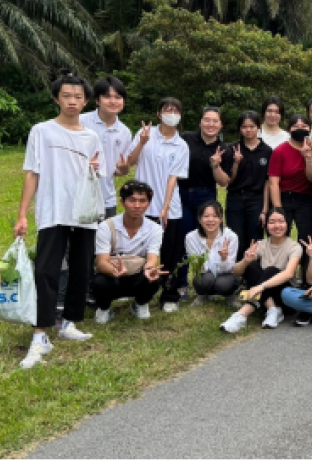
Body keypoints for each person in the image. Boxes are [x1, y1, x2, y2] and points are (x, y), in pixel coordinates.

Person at [15, 73, 105, 369]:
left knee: (81, 269)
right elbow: (32, 173)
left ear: (86, 101)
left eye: (78, 97)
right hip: (52, 210)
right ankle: (40, 334)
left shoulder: (92, 136)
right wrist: (22, 215)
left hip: (83, 213)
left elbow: (98, 173)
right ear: (56, 98)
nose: (72, 101)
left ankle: (69, 323)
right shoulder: (42, 131)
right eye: (67, 95)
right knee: (46, 271)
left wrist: (94, 167)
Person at [126, 97, 190, 314]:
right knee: (141, 251)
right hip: (141, 205)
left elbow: (173, 177)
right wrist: (142, 142)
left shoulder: (181, 145)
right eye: (167, 109)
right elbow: (130, 161)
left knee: (169, 253)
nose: (171, 113)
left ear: (180, 116)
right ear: (159, 114)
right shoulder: (145, 134)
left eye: (175, 110)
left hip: (169, 208)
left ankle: (169, 295)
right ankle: (140, 295)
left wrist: (164, 206)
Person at [92, 181, 167, 324]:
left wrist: (150, 270)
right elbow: (101, 263)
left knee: (154, 279)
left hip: (137, 274)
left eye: (142, 201)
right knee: (100, 282)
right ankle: (104, 308)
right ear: (122, 202)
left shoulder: (155, 229)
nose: (137, 205)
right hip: (112, 274)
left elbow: (152, 258)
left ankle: (140, 304)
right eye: (132, 200)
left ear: (149, 204)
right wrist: (114, 270)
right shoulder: (106, 226)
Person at [220, 208, 303, 333]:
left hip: (284, 296)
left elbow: (289, 273)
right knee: (251, 266)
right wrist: (245, 261)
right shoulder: (261, 244)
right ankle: (273, 309)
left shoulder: (294, 246)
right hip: (263, 295)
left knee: (271, 270)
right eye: (272, 222)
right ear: (266, 225)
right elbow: (236, 272)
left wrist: (261, 287)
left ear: (287, 223)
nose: (277, 226)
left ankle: (242, 314)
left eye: (281, 221)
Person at [179, 107, 230, 300]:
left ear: (220, 125)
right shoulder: (186, 139)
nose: (210, 124)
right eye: (207, 120)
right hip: (182, 193)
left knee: (206, 239)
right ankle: (181, 285)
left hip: (206, 195)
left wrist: (215, 164)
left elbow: (224, 182)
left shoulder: (225, 149)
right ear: (200, 122)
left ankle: (207, 281)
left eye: (215, 121)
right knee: (183, 237)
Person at [220, 112, 272, 262]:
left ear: (258, 127)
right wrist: (236, 162)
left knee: (255, 238)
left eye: (252, 126)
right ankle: (236, 273)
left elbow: (268, 182)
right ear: (239, 129)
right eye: (244, 127)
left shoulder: (267, 151)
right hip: (235, 198)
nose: (248, 130)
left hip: (256, 199)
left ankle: (253, 273)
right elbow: (229, 180)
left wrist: (264, 210)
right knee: (236, 237)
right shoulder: (232, 149)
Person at [80, 76, 133, 219]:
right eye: (107, 97)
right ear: (97, 100)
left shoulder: (124, 132)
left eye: (118, 97)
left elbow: (119, 172)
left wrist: (124, 169)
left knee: (104, 240)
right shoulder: (81, 122)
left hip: (106, 199)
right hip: (78, 196)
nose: (113, 101)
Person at [268, 114, 312, 252]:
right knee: (280, 236)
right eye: (296, 126)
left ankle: (307, 269)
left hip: (307, 198)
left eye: (304, 126)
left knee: (308, 237)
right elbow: (273, 182)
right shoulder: (280, 151)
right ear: (289, 129)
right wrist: (278, 209)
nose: (300, 129)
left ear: (310, 128)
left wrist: (309, 157)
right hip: (285, 197)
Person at [186, 201, 240, 302]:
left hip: (226, 274)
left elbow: (229, 268)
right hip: (205, 275)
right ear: (199, 219)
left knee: (224, 284)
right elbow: (199, 269)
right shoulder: (191, 237)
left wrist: (224, 258)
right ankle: (203, 295)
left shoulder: (231, 237)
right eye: (206, 216)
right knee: (204, 280)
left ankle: (229, 296)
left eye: (215, 216)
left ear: (221, 219)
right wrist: (199, 263)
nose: (211, 220)